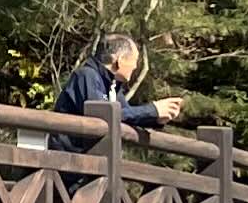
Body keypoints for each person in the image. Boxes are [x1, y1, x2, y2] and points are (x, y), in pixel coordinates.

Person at [59, 31, 193, 134]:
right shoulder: (86, 76)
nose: (135, 66)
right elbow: (102, 115)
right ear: (120, 60)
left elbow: (126, 115)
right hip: (69, 159)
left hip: (94, 160)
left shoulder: (113, 85)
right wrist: (152, 110)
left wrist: (156, 118)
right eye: (134, 60)